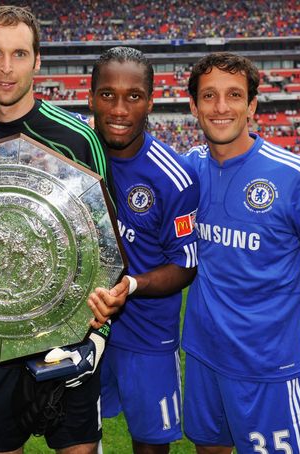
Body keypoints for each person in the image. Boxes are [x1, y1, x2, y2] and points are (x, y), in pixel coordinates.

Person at [179, 52, 300, 453]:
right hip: (204, 358)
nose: (221, 107)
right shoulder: (188, 170)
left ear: (252, 105)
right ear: (194, 105)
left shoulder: (295, 176)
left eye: (234, 95)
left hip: (268, 369)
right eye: (209, 96)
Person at [0, 6, 110, 453]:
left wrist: (95, 333)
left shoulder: (77, 138)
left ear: (37, 61)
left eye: (19, 54)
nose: (6, 68)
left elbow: (107, 243)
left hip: (66, 336)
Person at [85, 47, 199, 454]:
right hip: (78, 329)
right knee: (78, 442)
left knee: (150, 446)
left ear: (150, 101)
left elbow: (184, 265)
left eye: (133, 96)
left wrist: (131, 285)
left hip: (148, 336)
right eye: (107, 94)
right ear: (90, 96)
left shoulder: (174, 176)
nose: (119, 108)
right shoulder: (72, 155)